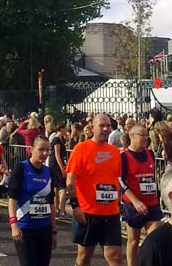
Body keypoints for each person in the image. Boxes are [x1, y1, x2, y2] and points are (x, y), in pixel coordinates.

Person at [66, 114, 123, 266]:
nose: (106, 129)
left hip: (111, 213)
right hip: (88, 213)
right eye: (102, 125)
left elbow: (116, 179)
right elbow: (70, 180)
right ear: (92, 128)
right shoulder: (81, 149)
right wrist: (75, 206)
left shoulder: (115, 152)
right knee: (84, 257)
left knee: (115, 256)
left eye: (108, 126)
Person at [8, 135, 57, 266]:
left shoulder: (48, 171)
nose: (45, 153)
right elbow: (12, 199)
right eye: (41, 149)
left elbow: (51, 202)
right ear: (31, 149)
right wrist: (14, 225)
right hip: (25, 229)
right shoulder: (22, 168)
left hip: (44, 229)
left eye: (48, 150)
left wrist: (53, 231)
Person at [120, 125, 162, 266]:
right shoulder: (124, 156)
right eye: (142, 135)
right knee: (133, 240)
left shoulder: (150, 153)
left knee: (154, 238)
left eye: (146, 135)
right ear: (132, 136)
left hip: (152, 203)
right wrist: (136, 202)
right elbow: (121, 181)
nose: (145, 138)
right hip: (133, 205)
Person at [49, 123, 68, 218]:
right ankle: (62, 210)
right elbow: (57, 155)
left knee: (56, 188)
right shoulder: (56, 140)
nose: (67, 130)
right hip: (56, 164)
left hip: (57, 163)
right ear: (61, 129)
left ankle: (57, 208)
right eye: (65, 128)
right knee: (63, 187)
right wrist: (62, 169)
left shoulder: (62, 139)